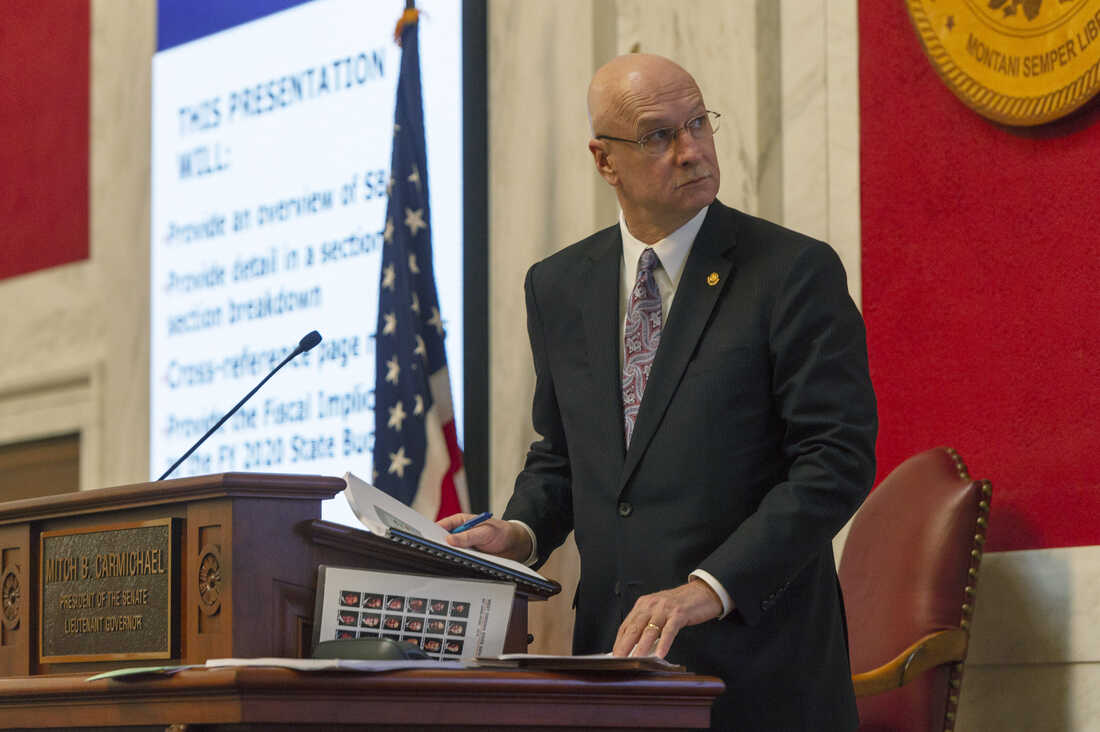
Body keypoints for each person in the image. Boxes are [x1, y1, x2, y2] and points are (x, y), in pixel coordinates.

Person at [440, 53, 877, 730]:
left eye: (698, 123)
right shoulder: (558, 286)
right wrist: (518, 531)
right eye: (658, 136)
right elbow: (564, 456)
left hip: (760, 669)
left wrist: (709, 588)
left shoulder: (792, 271)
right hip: (613, 668)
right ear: (604, 160)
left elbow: (834, 461)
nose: (691, 150)